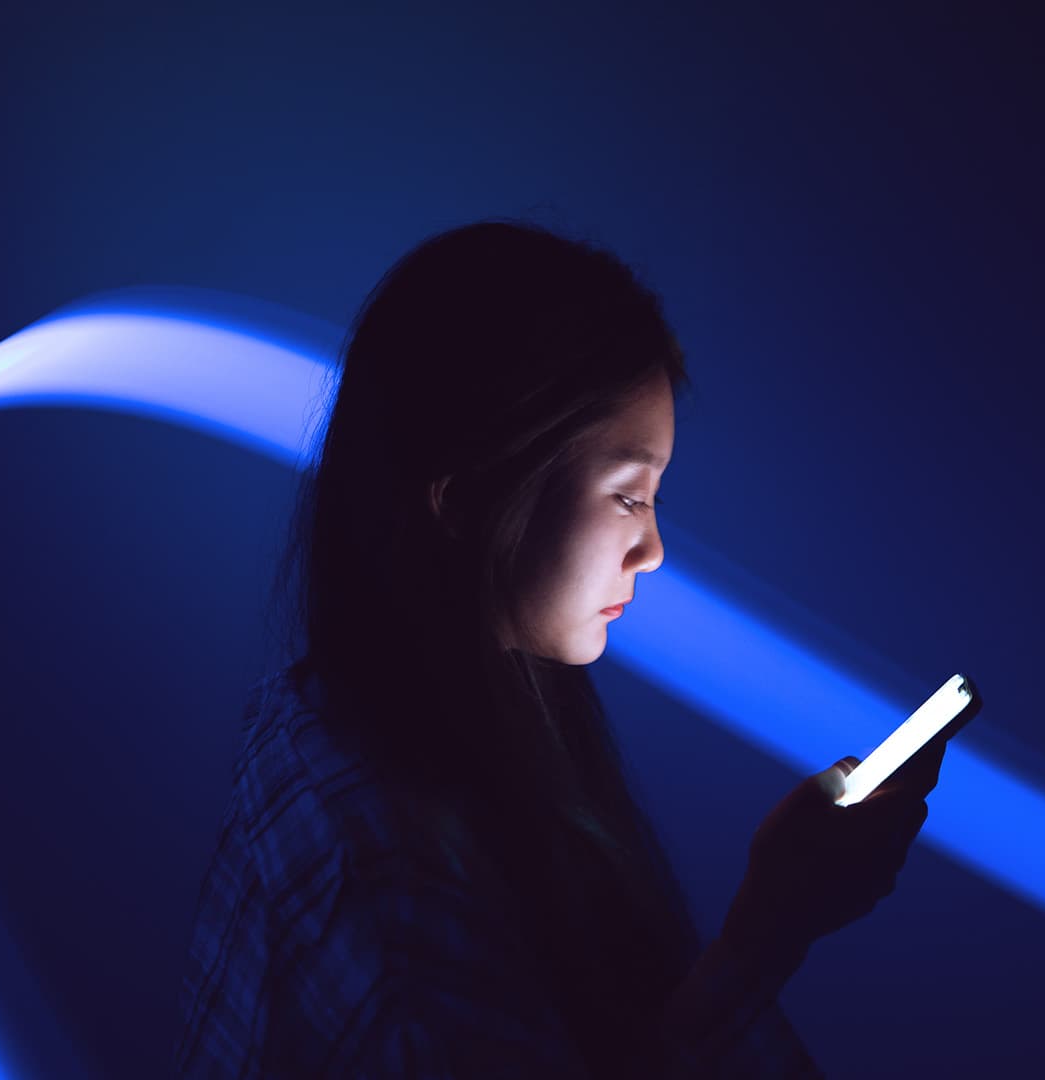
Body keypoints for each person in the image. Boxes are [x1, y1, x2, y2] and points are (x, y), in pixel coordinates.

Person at [175, 219, 942, 1078]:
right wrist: (767, 937)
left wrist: (772, 928)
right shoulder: (394, 895)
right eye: (627, 496)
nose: (652, 549)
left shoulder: (342, 729)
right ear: (463, 497)